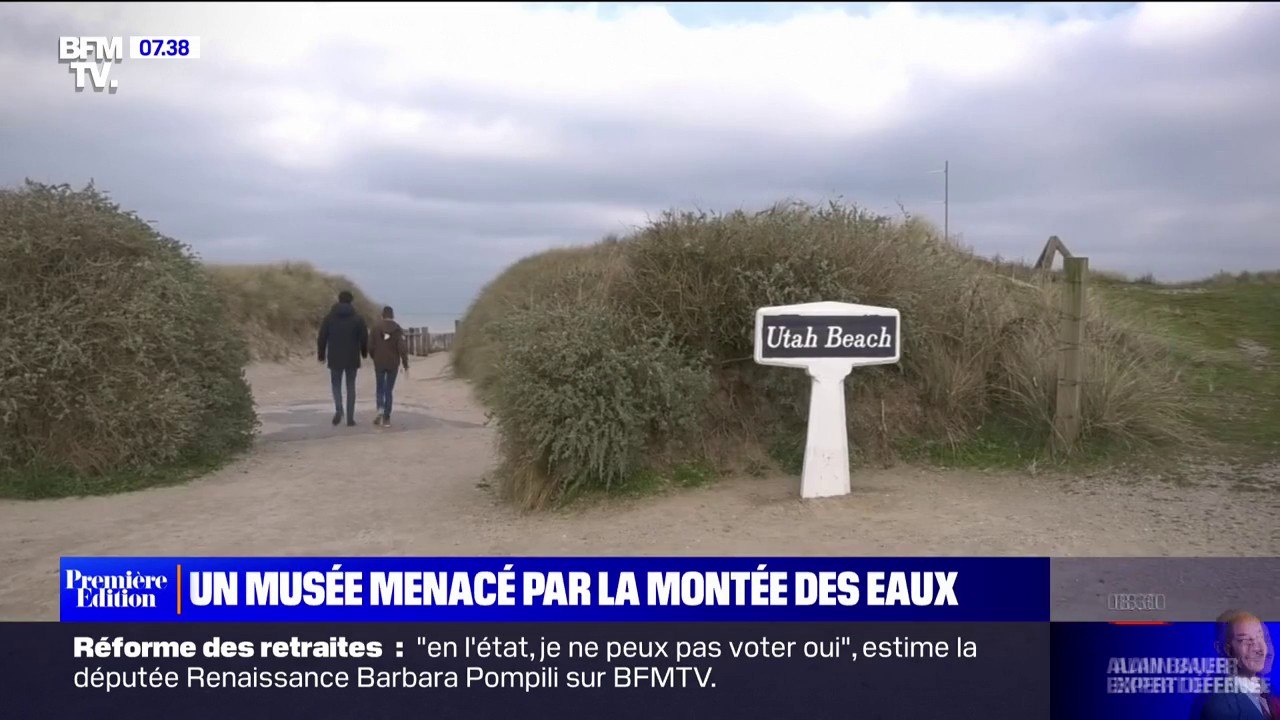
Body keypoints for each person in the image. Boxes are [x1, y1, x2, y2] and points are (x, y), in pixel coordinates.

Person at [1197, 609, 1275, 720]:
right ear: (1223, 649)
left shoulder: (1268, 691)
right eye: (1244, 640)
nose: (1262, 650)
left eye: (1262, 637)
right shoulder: (1220, 705)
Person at [316, 290, 368, 427]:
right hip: (352, 357)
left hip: (334, 356)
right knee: (351, 387)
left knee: (336, 385)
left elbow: (322, 337)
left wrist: (321, 355)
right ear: (351, 301)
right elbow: (364, 338)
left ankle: (339, 409)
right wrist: (364, 353)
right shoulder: (358, 318)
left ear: (338, 300)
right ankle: (350, 418)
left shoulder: (329, 318)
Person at [368, 305, 409, 427]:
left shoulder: (375, 328)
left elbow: (370, 346)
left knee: (380, 388)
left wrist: (374, 356)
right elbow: (402, 348)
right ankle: (386, 418)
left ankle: (380, 410)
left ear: (382, 315)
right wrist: (405, 364)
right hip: (393, 363)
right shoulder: (397, 329)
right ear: (393, 316)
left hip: (379, 362)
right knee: (388, 390)